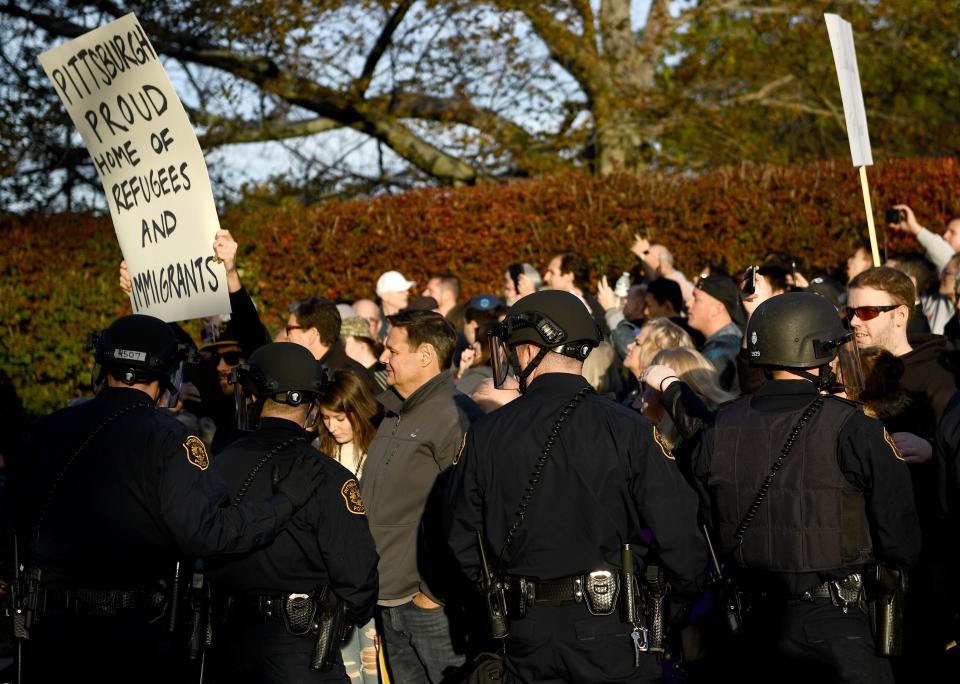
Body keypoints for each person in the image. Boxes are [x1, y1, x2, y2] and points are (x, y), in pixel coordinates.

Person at [13, 315, 325, 684]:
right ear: (169, 375)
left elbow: (11, 518)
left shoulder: (50, 428)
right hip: (131, 639)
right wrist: (283, 503)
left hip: (49, 631)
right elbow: (207, 534)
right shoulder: (170, 440)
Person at [445, 289, 707, 683]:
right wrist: (666, 610)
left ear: (531, 348)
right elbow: (682, 540)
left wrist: (499, 598)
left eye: (516, 349)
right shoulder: (630, 430)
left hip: (525, 632)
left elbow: (460, 539)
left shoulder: (487, 435)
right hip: (612, 627)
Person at [689, 293, 921, 683]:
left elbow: (702, 522)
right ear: (818, 351)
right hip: (836, 626)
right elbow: (900, 538)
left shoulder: (719, 427)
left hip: (749, 627)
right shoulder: (855, 428)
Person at [207, 343, 379, 684]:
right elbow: (359, 578)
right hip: (299, 648)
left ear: (253, 398)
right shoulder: (330, 477)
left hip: (227, 644)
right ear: (314, 405)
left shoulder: (219, 466)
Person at [361, 309, 482, 683]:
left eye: (392, 350)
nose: (383, 358)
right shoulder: (396, 411)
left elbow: (468, 512)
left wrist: (432, 593)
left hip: (430, 608)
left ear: (425, 355)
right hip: (387, 596)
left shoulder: (455, 417)